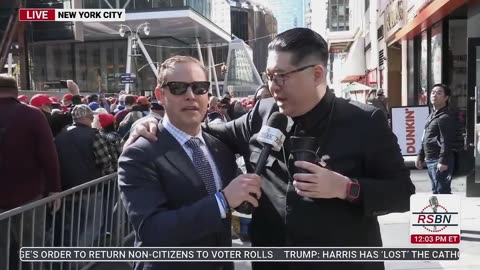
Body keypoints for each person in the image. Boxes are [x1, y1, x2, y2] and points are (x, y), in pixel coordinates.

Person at [127, 28, 415, 270]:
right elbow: (199, 131)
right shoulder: (263, 113)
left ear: (316, 74)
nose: (273, 86)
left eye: (282, 76)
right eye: (269, 76)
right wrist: (150, 123)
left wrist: (346, 188)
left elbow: (403, 194)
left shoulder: (364, 121)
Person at [117, 56, 262, 270]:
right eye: (178, 88)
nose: (190, 96)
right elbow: (152, 231)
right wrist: (222, 202)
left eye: (199, 87)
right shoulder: (138, 154)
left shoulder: (220, 147)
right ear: (160, 95)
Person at [0, 74, 61, 269]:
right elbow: (49, 156)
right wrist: (55, 190)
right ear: (16, 92)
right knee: (32, 246)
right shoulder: (33, 114)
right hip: (30, 195)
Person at [416, 83, 455, 194]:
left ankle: (448, 211)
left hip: (439, 160)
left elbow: (446, 141)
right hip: (430, 159)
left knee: (442, 193)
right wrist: (421, 155)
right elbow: (425, 137)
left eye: (439, 93)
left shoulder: (445, 117)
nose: (434, 95)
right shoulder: (431, 116)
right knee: (436, 192)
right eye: (433, 93)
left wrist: (442, 161)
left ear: (446, 98)